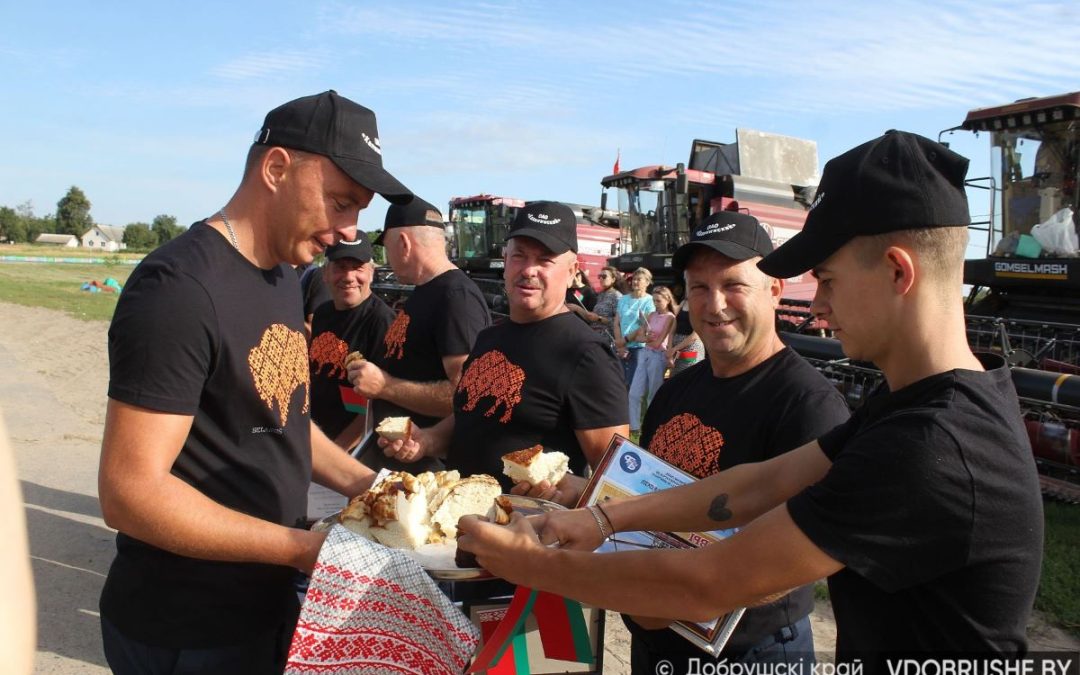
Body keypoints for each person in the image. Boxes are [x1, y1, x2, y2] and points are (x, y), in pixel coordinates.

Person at [458, 131, 1044, 668]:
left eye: (830, 280)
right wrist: (604, 517)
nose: (818, 308)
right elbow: (759, 485)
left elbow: (706, 584)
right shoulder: (914, 404)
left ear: (897, 272)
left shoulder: (933, 443)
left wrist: (526, 563)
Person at [97, 90, 409, 673]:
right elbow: (129, 492)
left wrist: (387, 493)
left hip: (263, 609)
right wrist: (302, 550)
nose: (349, 231)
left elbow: (284, 420)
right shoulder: (179, 288)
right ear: (275, 169)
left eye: (359, 211)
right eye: (341, 202)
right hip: (185, 628)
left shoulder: (283, 279)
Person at [620, 212, 851, 671]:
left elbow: (790, 558)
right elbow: (638, 492)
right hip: (655, 635)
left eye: (734, 286)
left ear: (775, 290)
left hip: (749, 652)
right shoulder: (677, 389)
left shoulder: (809, 406)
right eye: (700, 288)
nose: (714, 304)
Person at [381, 201, 630, 501]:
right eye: (520, 257)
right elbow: (471, 416)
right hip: (457, 527)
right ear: (505, 260)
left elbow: (615, 485)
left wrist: (570, 495)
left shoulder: (586, 353)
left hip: (526, 536)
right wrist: (427, 440)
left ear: (572, 271)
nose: (528, 270)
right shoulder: (489, 337)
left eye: (545, 260)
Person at [348, 197, 491, 474]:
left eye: (387, 247)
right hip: (400, 462)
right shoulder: (428, 291)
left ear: (403, 243)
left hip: (427, 468)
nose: (387, 257)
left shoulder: (455, 297)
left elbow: (466, 396)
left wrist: (385, 386)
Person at [309, 237, 396, 451]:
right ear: (325, 273)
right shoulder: (322, 314)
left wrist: (337, 451)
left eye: (358, 268)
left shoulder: (382, 321)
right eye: (340, 267)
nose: (349, 277)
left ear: (371, 273)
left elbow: (378, 404)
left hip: (353, 450)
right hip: (316, 438)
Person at [626, 285, 677, 433]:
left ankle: (650, 425)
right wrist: (646, 337)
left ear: (667, 300)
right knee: (634, 393)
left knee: (653, 394)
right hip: (645, 354)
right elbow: (640, 337)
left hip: (658, 356)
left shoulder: (670, 318)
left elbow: (658, 342)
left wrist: (647, 339)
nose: (655, 304)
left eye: (658, 301)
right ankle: (634, 426)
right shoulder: (651, 315)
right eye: (654, 300)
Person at [613, 267, 655, 387]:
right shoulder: (623, 299)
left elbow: (644, 326)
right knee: (619, 383)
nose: (635, 282)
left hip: (638, 348)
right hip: (621, 347)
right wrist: (619, 344)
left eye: (639, 279)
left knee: (633, 384)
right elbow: (616, 323)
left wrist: (624, 340)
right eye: (634, 279)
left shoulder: (650, 301)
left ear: (647, 282)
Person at [666, 295, 704, 376]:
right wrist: (670, 351)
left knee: (688, 375)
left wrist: (674, 350)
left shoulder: (701, 305)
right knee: (674, 377)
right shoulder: (683, 303)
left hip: (691, 348)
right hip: (675, 348)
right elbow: (672, 331)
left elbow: (694, 336)